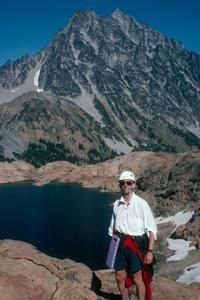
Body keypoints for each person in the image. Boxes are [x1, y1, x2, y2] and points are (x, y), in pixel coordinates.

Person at [108, 170, 157, 300]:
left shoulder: (142, 204)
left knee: (137, 277)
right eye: (122, 183)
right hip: (119, 242)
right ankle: (124, 298)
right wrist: (113, 249)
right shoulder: (117, 204)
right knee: (119, 275)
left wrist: (150, 251)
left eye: (128, 182)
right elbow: (113, 228)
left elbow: (152, 230)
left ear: (134, 185)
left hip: (135, 244)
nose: (125, 185)